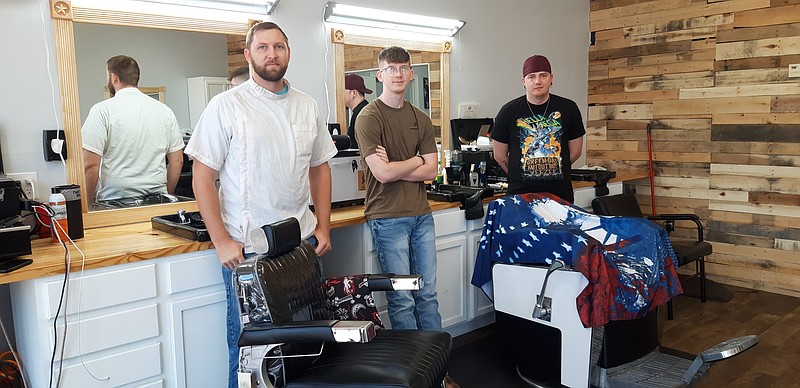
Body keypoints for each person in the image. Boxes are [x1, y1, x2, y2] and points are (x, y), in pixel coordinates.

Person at [184, 21, 337, 388]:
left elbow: (320, 168)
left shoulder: (307, 105)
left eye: (279, 46)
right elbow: (202, 177)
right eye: (264, 47)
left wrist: (324, 225)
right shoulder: (226, 106)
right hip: (248, 251)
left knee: (302, 349)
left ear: (288, 52)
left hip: (300, 246)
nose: (272, 54)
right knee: (252, 353)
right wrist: (221, 239)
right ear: (249, 54)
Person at [355, 46, 442, 331]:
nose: (398, 74)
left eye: (403, 68)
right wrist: (417, 159)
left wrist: (399, 165)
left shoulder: (421, 118)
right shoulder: (369, 117)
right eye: (391, 69)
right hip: (388, 217)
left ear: (411, 74)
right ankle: (412, 373)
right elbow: (382, 173)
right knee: (403, 297)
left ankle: (438, 371)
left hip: (422, 216)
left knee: (427, 295)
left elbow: (431, 171)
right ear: (380, 75)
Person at [82, 55, 184, 205]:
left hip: (115, 203)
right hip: (157, 201)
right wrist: (166, 193)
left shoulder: (102, 111)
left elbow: (90, 164)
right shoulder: (164, 111)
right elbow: (177, 160)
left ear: (113, 77)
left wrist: (88, 206)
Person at [491, 54, 585, 203]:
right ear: (523, 81)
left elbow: (575, 151)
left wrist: (555, 167)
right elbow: (500, 156)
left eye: (543, 75)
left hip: (560, 194)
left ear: (551, 78)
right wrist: (520, 173)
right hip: (520, 195)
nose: (537, 81)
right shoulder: (508, 111)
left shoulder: (569, 108)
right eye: (531, 77)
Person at [344, 73, 372, 148]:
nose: (339, 95)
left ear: (354, 93)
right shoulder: (365, 110)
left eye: (342, 91)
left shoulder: (362, 114)